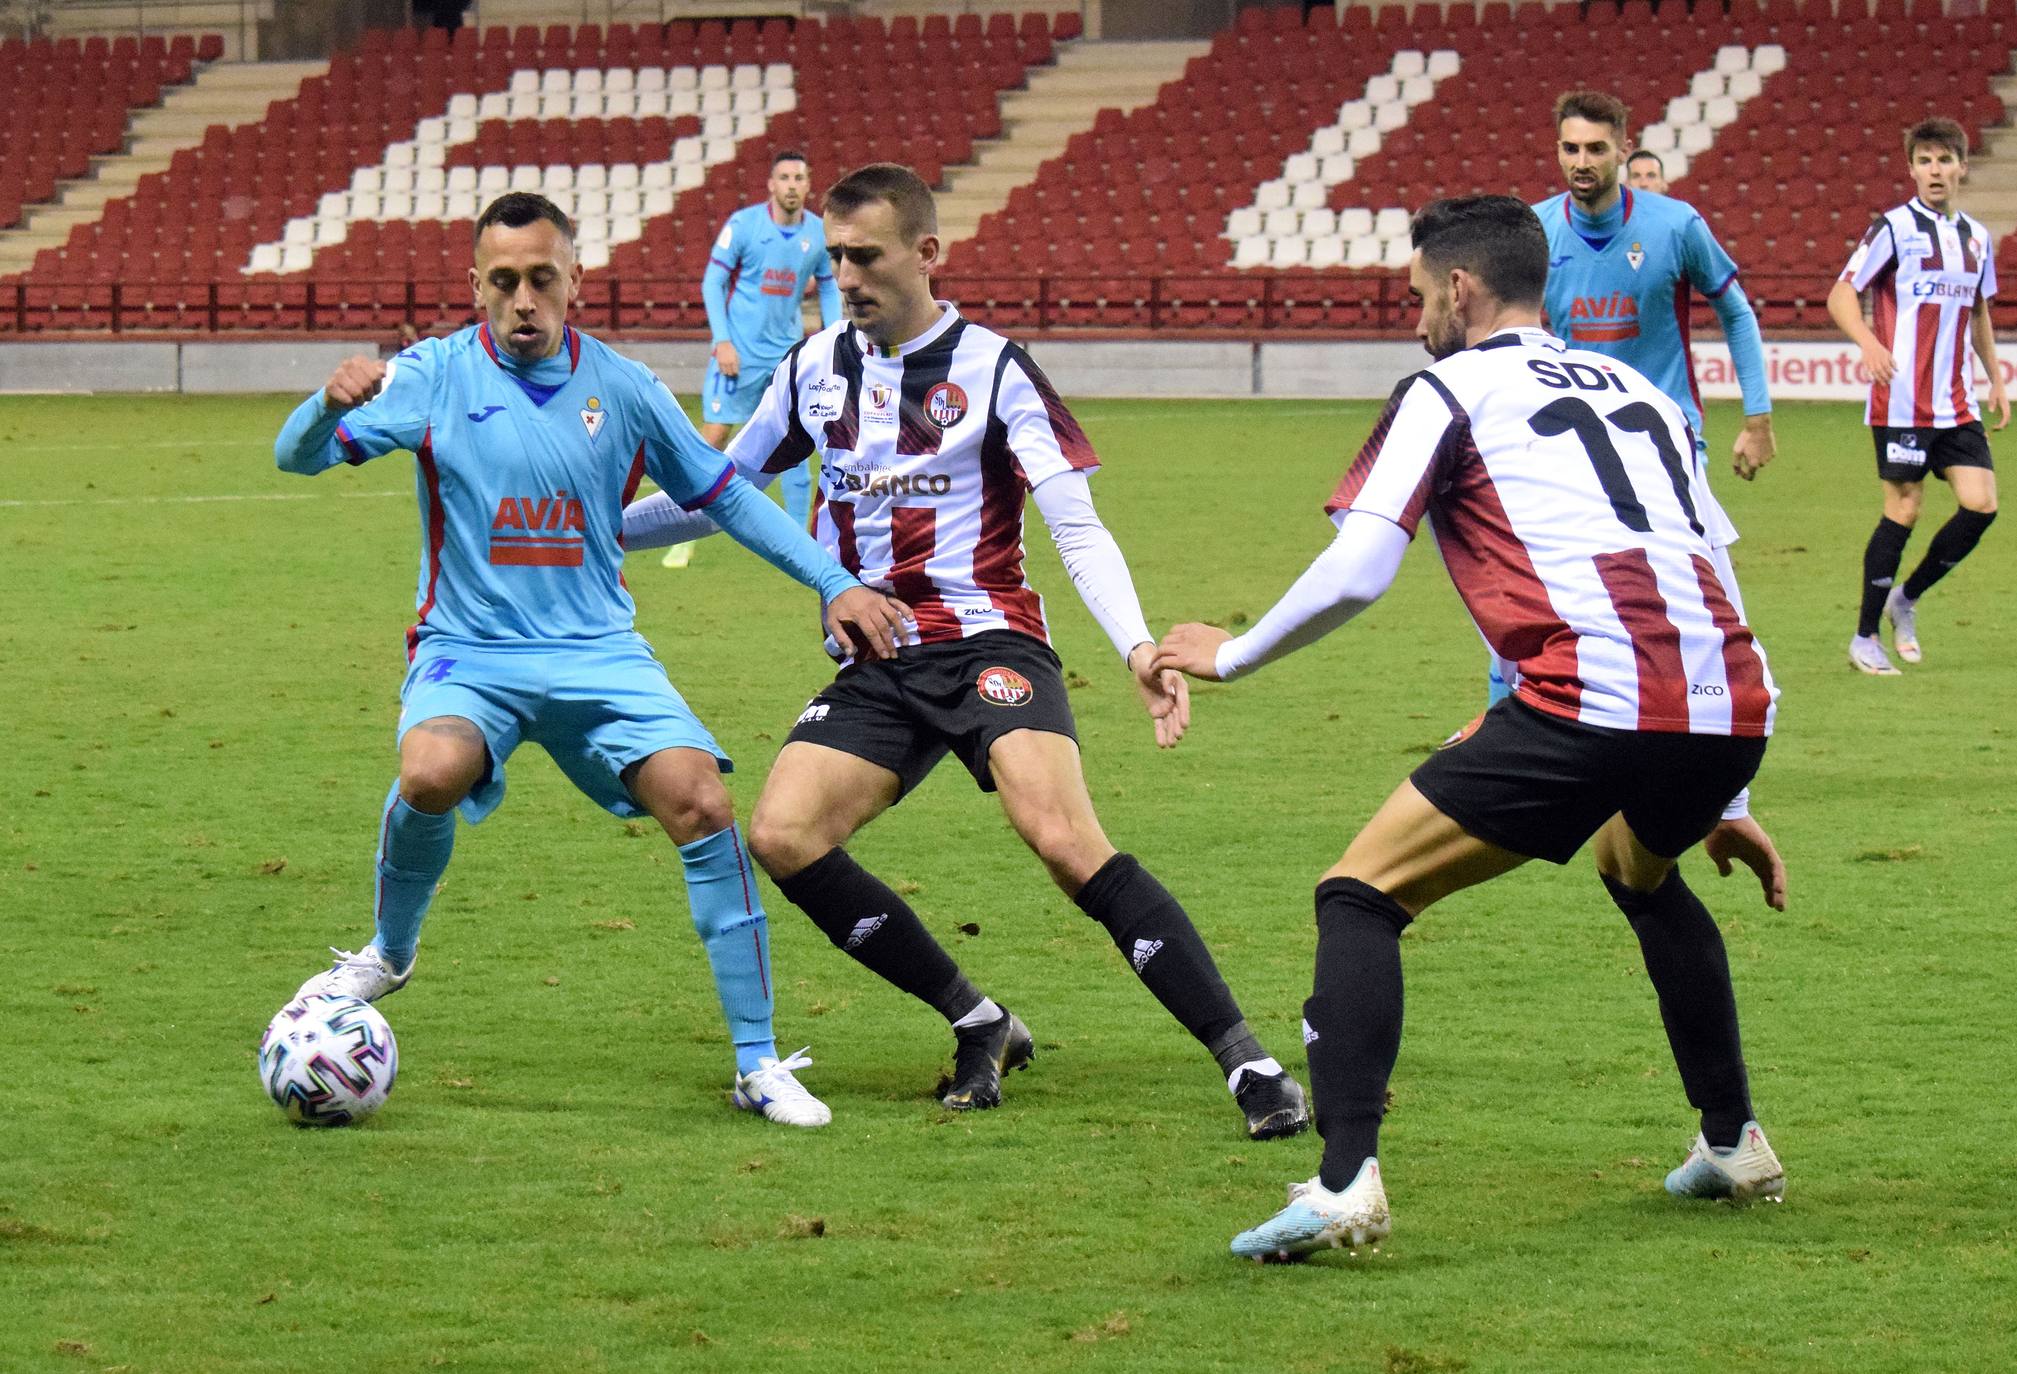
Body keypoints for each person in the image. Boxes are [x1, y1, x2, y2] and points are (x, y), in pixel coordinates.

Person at [1154, 196, 1787, 1261]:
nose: (1414, 322)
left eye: (1416, 298)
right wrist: (1727, 794)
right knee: (1638, 869)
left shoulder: (1446, 388)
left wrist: (1230, 653)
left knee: (1358, 894)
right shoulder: (1646, 391)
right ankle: (1732, 1142)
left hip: (1592, 699)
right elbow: (1711, 569)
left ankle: (1345, 1181)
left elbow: (1359, 566)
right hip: (1730, 700)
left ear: (1459, 288)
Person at [620, 163, 1310, 1138]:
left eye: (865, 256)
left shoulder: (992, 368)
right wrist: (588, 537)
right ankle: (979, 1021)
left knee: (1066, 843)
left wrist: (1136, 644)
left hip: (990, 644)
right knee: (782, 834)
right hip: (878, 659)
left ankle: (1248, 1064)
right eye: (836, 259)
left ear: (926, 253)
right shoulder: (814, 369)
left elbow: (1075, 524)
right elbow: (717, 494)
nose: (846, 276)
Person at [275, 192, 909, 1128]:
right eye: (503, 282)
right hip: (470, 649)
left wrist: (832, 581)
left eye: (541, 278)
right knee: (429, 773)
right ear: (475, 286)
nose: (523, 299)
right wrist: (323, 408)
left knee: (702, 803)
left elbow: (727, 496)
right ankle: (387, 953)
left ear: (575, 280)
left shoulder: (625, 389)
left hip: (599, 654)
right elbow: (298, 459)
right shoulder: (432, 375)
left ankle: (756, 1061)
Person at [1531, 90, 1785, 896]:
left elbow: (1735, 312)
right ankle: (1532, 736)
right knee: (1545, 595)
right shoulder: (1536, 231)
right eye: (1568, 148)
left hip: (1669, 456)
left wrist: (1757, 416)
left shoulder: (1674, 227)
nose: (1580, 162)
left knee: (1714, 613)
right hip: (1570, 455)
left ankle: (1728, 791)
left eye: (1594, 149)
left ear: (1623, 148)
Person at [1826, 117, 2005, 675]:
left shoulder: (1977, 237)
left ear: (1961, 167)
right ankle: (1864, 638)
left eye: (1944, 159)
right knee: (1903, 509)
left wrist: (1996, 377)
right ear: (1912, 170)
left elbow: (1978, 313)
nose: (1935, 170)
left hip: (1956, 402)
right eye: (1924, 160)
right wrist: (1867, 343)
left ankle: (1907, 598)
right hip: (1900, 398)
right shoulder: (1893, 228)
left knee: (1982, 504)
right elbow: (1841, 293)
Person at [669, 149, 841, 568]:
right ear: (771, 184)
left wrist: (833, 335)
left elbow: (829, 286)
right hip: (738, 355)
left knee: (796, 442)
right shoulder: (744, 225)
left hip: (786, 356)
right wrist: (722, 341)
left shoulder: (817, 234)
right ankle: (681, 532)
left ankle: (801, 544)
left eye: (799, 178)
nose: (792, 185)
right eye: (784, 177)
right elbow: (713, 283)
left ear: (808, 184)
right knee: (711, 439)